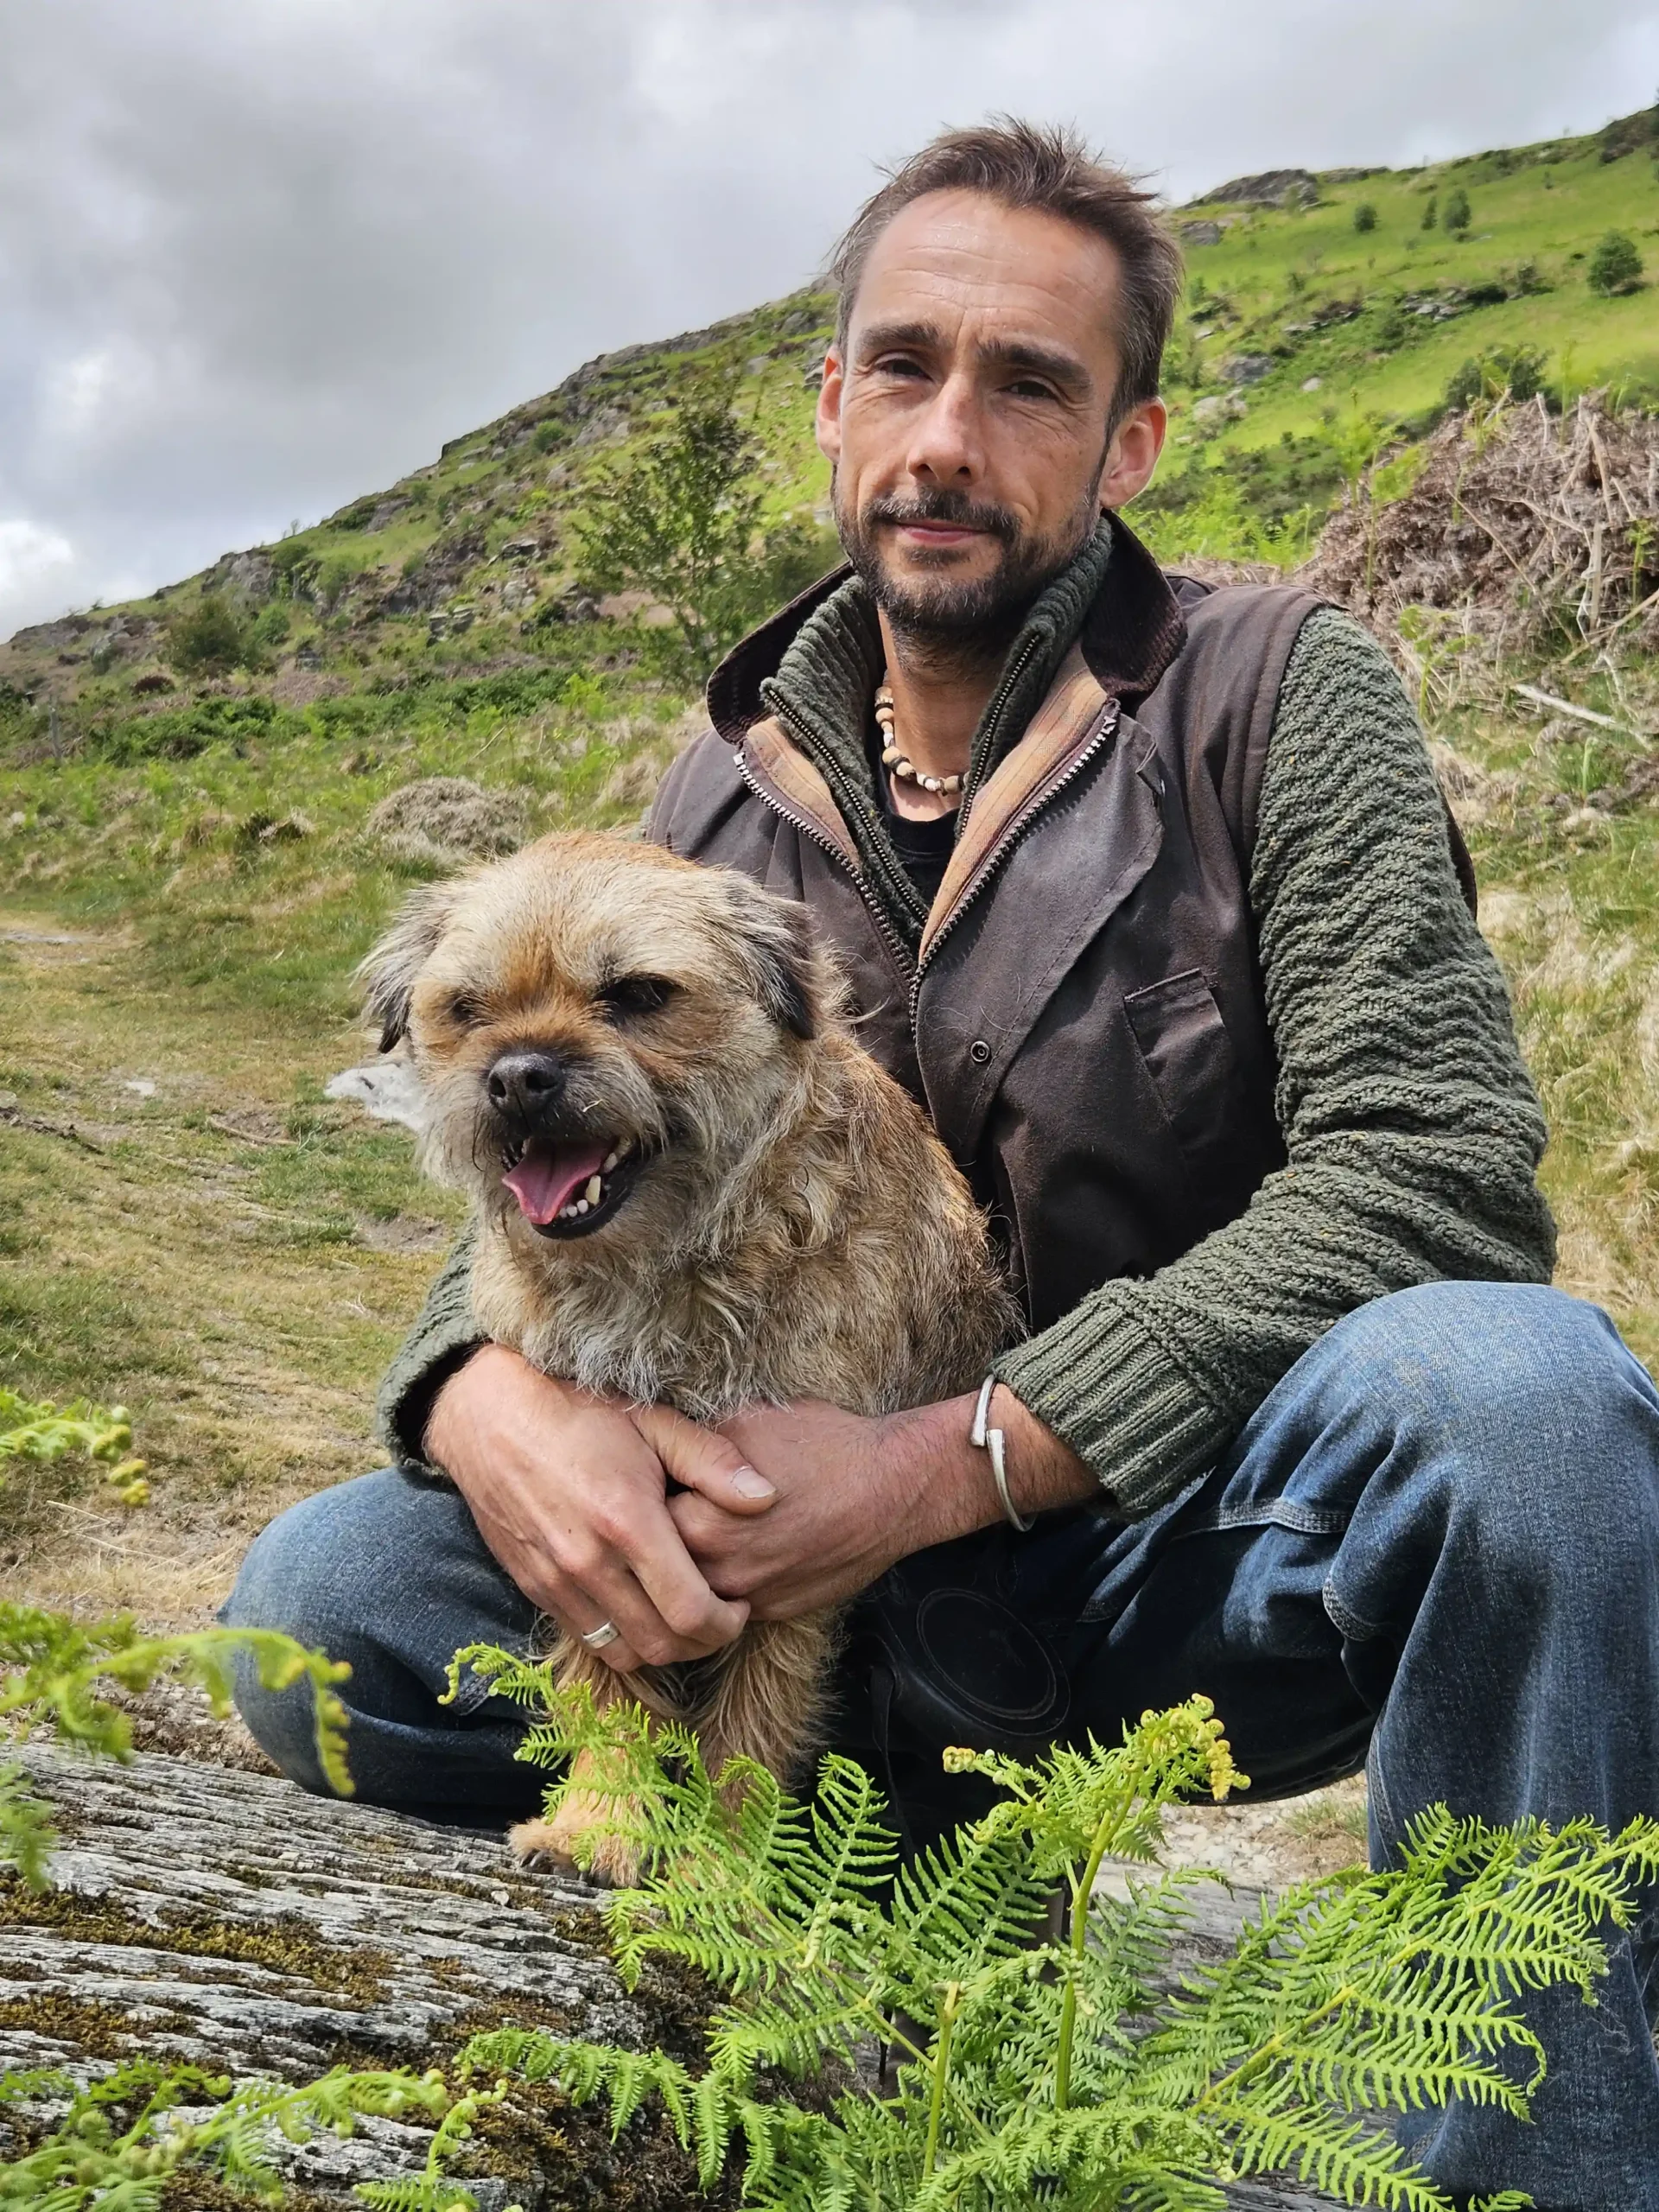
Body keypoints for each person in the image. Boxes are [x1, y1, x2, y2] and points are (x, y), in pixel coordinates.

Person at [226, 122, 1659, 2205]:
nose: (946, 437)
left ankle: (1542, 2151)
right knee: (326, 1592)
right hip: (783, 1563)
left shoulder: (1281, 694)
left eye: (1030, 384)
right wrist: (477, 1388)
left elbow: (1434, 1176)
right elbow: (561, 1177)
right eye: (901, 367)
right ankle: (861, 1870)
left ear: (1132, 439)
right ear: (831, 404)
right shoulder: (715, 785)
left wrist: (943, 1463)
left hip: (1170, 1546)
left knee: (1525, 1406)